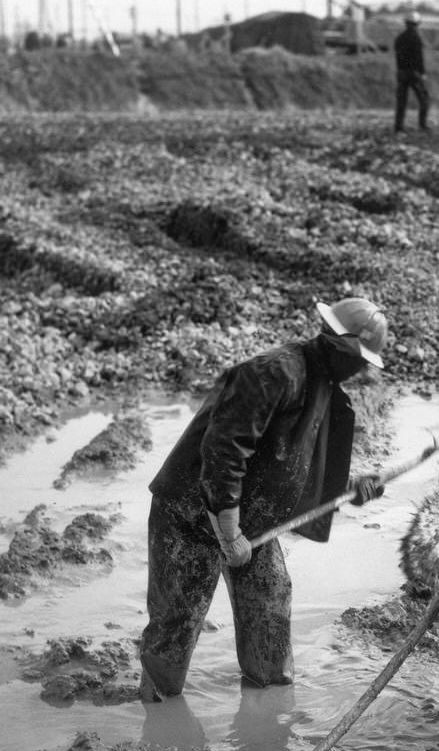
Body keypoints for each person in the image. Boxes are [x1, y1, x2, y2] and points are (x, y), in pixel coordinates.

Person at [139, 298, 389, 701]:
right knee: (178, 621)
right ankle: (158, 704)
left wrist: (350, 489)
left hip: (251, 523)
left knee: (270, 603)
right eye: (358, 359)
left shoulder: (324, 388)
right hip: (192, 513)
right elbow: (223, 451)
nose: (361, 370)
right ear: (336, 344)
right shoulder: (274, 373)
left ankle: (269, 704)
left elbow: (297, 458)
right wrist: (228, 531)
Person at [394, 11, 430, 133]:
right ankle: (422, 125)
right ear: (417, 24)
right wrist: (422, 73)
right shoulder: (416, 38)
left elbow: (398, 57)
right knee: (424, 99)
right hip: (414, 73)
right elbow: (419, 58)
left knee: (401, 102)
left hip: (401, 73)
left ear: (406, 23)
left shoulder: (399, 38)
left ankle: (398, 127)